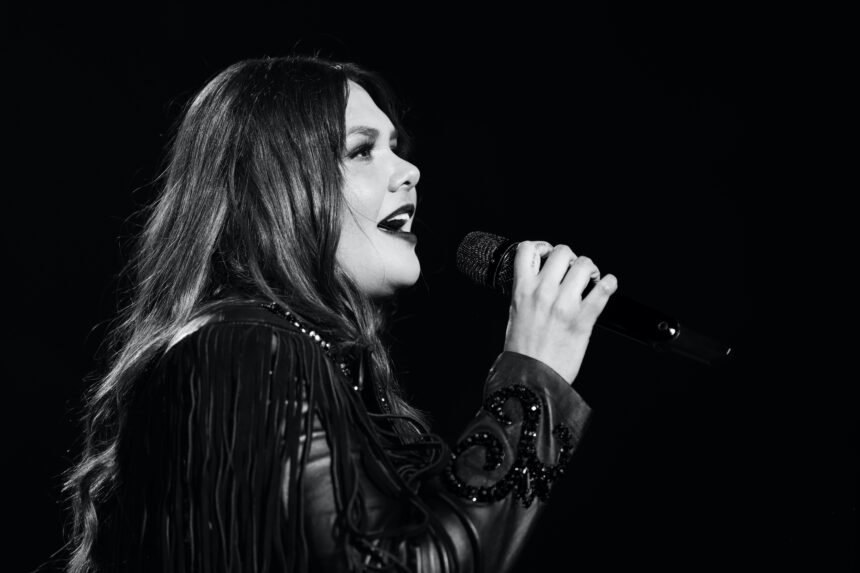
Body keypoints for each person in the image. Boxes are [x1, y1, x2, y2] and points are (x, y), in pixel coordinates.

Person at [64, 55, 618, 573]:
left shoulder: (287, 353)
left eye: (396, 146)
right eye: (361, 150)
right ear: (275, 187)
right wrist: (532, 380)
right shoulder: (245, 347)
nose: (409, 170)